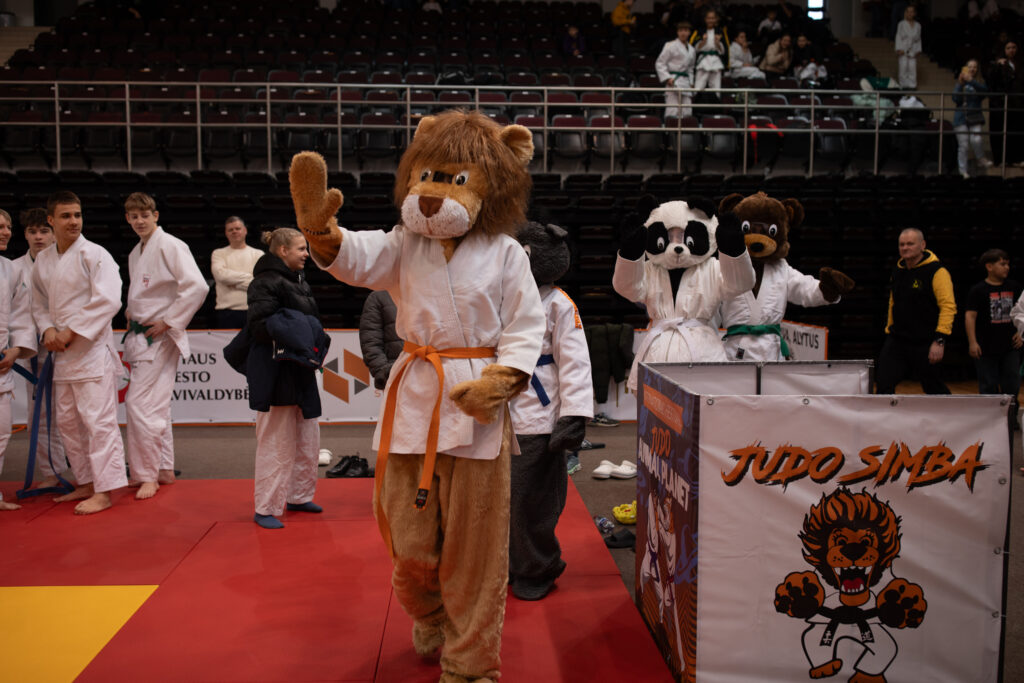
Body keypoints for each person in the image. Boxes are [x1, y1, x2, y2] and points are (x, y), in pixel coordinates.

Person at [31, 191, 127, 514]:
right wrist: (47, 330)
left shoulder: (95, 254)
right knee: (69, 424)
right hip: (61, 355)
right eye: (65, 216)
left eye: (77, 215)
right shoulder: (44, 260)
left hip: (89, 351)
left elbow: (109, 300)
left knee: (98, 423)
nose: (73, 221)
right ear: (51, 220)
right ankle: (85, 482)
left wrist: (71, 331)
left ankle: (104, 490)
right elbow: (38, 302)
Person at [122, 193, 208, 500]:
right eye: (134, 216)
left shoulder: (171, 244)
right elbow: (146, 292)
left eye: (144, 215)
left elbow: (197, 286)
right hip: (144, 334)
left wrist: (170, 321)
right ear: (127, 219)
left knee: (137, 403)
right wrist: (131, 310)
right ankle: (163, 468)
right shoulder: (136, 252)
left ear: (155, 215)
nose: (139, 221)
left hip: (159, 335)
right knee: (156, 404)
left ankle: (146, 473)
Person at [245, 228, 326, 529]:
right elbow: (259, 326)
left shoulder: (298, 280)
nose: (306, 254)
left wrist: (309, 334)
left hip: (300, 367)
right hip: (275, 369)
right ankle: (265, 506)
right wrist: (299, 327)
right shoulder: (263, 282)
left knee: (308, 437)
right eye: (301, 249)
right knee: (276, 440)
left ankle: (298, 495)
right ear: (282, 251)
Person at [12, 207, 68, 491]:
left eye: (44, 231)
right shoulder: (13, 269)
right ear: (25, 235)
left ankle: (91, 473)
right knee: (41, 416)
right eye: (32, 232)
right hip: (31, 351)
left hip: (66, 346)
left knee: (72, 414)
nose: (38, 237)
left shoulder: (65, 263)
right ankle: (51, 473)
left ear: (53, 233)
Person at [875, 228, 956, 395]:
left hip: (926, 341)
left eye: (910, 244)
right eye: (902, 244)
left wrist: (939, 340)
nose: (905, 248)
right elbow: (893, 302)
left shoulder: (937, 271)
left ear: (922, 245)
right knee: (883, 383)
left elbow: (948, 307)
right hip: (897, 339)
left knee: (933, 388)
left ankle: (950, 411)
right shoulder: (898, 270)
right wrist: (889, 329)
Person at [0, 209, 36, 511]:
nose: (6, 232)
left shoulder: (11, 270)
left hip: (2, 365)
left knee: (1, 435)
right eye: (0, 226)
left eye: (8, 226)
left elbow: (22, 317)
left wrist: (16, 349)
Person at [965, 250, 1022, 412]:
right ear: (989, 267)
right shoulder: (978, 290)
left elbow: (1022, 313)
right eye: (1002, 264)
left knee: (1012, 382)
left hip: (1010, 346)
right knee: (988, 384)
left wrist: (1021, 333)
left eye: (1008, 264)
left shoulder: (1015, 287)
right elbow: (970, 316)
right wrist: (972, 342)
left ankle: (1010, 417)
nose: (1007, 267)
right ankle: (990, 417)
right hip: (986, 346)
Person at [211, 216, 263, 328]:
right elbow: (221, 276)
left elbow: (260, 282)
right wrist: (249, 278)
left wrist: (234, 283)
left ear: (245, 230)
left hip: (253, 310)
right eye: (230, 230)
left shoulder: (258, 254)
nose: (234, 231)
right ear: (226, 233)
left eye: (237, 228)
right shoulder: (218, 253)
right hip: (226, 312)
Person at [988, 40, 1024, 167]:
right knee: (1002, 132)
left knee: (1017, 133)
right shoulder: (997, 64)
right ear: (1004, 50)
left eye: (1014, 47)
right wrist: (998, 66)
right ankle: (1002, 159)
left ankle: (1017, 159)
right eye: (1008, 48)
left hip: (1018, 104)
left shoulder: (1021, 64)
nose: (1011, 50)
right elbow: (992, 82)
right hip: (1002, 104)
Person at [358, 289, 402, 391]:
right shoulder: (378, 297)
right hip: (394, 375)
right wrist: (384, 371)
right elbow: (370, 341)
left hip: (429, 372)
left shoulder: (429, 292)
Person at [655, 21, 697, 118]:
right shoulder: (670, 45)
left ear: (689, 32)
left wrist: (691, 82)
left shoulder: (692, 49)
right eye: (681, 30)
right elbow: (660, 63)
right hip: (673, 80)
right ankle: (670, 127)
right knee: (672, 110)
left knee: (687, 111)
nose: (683, 33)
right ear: (677, 32)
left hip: (686, 82)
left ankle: (686, 128)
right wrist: (667, 78)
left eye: (685, 30)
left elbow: (691, 68)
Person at [689, 8, 728, 93]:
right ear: (705, 19)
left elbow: (724, 50)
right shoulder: (699, 31)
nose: (710, 20)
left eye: (713, 18)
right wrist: (703, 41)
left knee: (716, 89)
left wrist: (717, 43)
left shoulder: (720, 31)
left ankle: (716, 101)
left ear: (716, 19)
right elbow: (693, 48)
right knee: (698, 87)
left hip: (716, 61)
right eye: (709, 18)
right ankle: (697, 100)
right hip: (703, 61)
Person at [895, 5, 922, 89]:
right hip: (903, 48)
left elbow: (918, 39)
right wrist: (899, 49)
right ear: (905, 13)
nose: (910, 13)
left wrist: (918, 50)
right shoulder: (901, 24)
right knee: (903, 67)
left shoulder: (918, 25)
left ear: (914, 13)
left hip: (913, 49)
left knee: (912, 68)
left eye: (912, 12)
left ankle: (912, 85)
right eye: (908, 11)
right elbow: (898, 36)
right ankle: (903, 85)